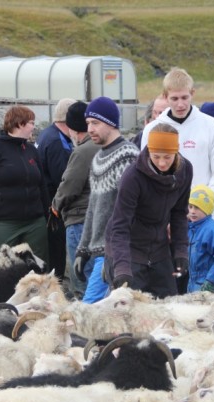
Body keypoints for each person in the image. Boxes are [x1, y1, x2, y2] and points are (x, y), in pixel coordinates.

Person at [104, 123, 192, 298]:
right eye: (156, 156)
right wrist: (121, 267)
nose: (161, 162)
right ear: (148, 150)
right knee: (128, 308)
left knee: (169, 303)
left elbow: (179, 214)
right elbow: (120, 226)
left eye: (167, 157)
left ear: (177, 151)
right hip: (129, 247)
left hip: (158, 247)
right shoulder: (132, 177)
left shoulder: (185, 171)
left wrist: (181, 250)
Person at [141, 67, 214, 224]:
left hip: (206, 219)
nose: (180, 104)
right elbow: (147, 174)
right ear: (165, 96)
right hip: (165, 219)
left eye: (184, 97)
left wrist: (199, 207)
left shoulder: (213, 127)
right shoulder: (151, 130)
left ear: (192, 93)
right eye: (174, 99)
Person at [74, 96, 139, 303]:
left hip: (115, 252)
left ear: (111, 123)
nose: (90, 129)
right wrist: (82, 250)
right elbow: (93, 207)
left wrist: (114, 255)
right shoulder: (99, 158)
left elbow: (130, 209)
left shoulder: (127, 156)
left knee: (89, 309)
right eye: (88, 124)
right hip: (98, 252)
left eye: (95, 123)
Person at [0, 105, 49, 262]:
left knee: (38, 269)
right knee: (2, 267)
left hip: (35, 223)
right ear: (20, 124)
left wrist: (46, 215)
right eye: (31, 123)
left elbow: (41, 184)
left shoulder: (31, 150)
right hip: (5, 223)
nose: (34, 128)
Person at [51, 101, 100, 299]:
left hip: (79, 219)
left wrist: (55, 206)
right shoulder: (104, 146)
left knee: (81, 277)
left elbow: (70, 185)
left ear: (73, 128)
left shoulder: (83, 151)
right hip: (99, 220)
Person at [35, 98, 75, 280]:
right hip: (54, 205)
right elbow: (63, 177)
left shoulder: (47, 134)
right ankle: (57, 281)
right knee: (56, 247)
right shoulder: (57, 142)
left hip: (46, 202)